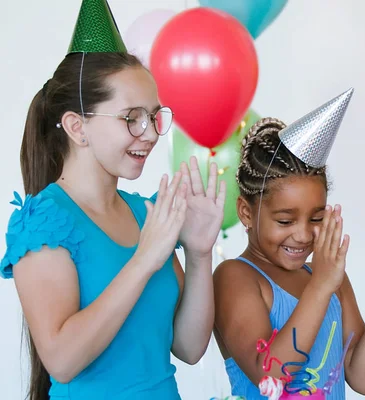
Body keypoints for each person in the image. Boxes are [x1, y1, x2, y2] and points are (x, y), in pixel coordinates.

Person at [1, 1, 225, 399]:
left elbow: (189, 348)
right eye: (132, 118)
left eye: (154, 116)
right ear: (77, 127)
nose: (151, 133)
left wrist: (199, 253)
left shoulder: (147, 215)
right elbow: (62, 360)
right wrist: (144, 260)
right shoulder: (42, 223)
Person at [213, 90, 365, 399]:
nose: (303, 235)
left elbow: (363, 377)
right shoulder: (235, 277)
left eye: (316, 218)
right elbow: (269, 377)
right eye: (285, 221)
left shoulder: (331, 280)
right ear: (246, 212)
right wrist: (320, 287)